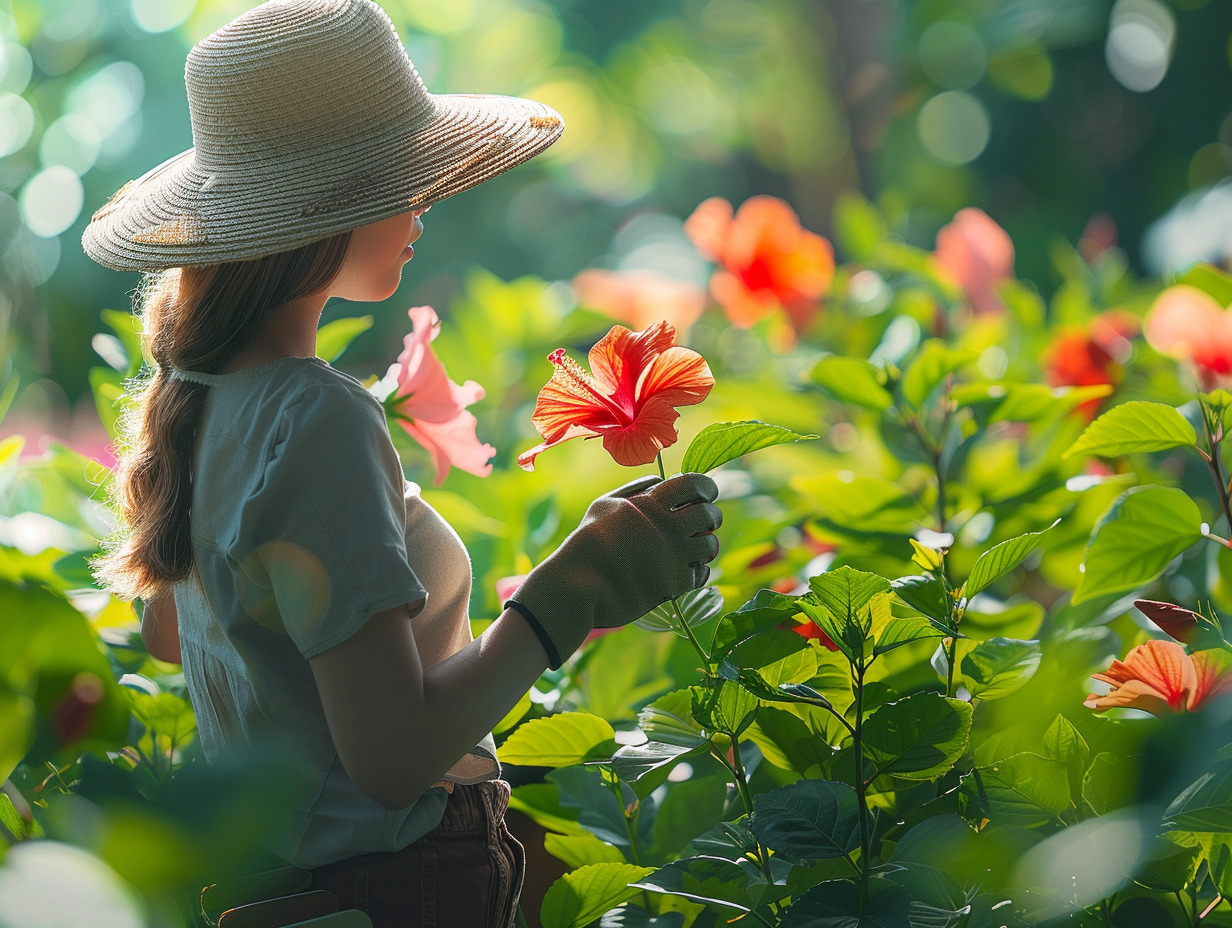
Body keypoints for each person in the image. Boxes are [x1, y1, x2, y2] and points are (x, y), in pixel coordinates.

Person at [80, 1, 723, 926]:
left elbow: (175, 638)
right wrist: (570, 593)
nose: (422, 201)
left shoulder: (201, 400)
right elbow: (389, 763)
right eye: (398, 178)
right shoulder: (317, 415)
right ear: (320, 207)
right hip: (401, 889)